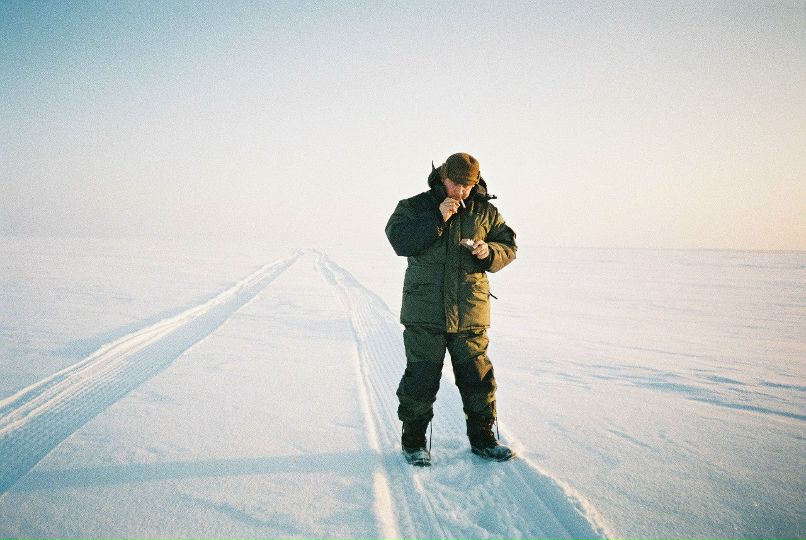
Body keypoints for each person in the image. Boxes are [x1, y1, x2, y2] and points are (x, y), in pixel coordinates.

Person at [385, 152, 517, 466]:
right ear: (444, 177)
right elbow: (399, 240)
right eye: (456, 184)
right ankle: (414, 442)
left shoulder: (486, 212)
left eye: (468, 187)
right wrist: (437, 220)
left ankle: (484, 440)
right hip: (425, 312)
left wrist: (489, 252)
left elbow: (509, 246)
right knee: (421, 377)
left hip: (470, 312)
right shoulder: (415, 206)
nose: (461, 192)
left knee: (477, 377)